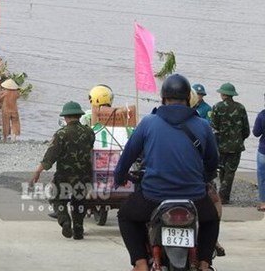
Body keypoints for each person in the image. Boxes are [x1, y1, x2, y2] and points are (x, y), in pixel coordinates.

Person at [114, 74, 219, 271]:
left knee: (125, 216)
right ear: (188, 99)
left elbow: (126, 158)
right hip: (194, 197)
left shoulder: (148, 123)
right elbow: (213, 162)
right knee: (211, 219)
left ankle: (141, 263)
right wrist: (202, 179)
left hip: (153, 196)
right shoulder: (203, 126)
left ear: (163, 98)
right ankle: (204, 263)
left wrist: (119, 178)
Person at [30, 101, 94, 240]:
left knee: (57, 198)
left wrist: (38, 171)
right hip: (84, 176)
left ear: (65, 117)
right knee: (79, 202)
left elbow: (50, 156)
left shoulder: (61, 134)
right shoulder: (89, 132)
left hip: (65, 175)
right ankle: (78, 231)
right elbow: (90, 150)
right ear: (79, 115)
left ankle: (65, 220)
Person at [210, 82, 250, 204]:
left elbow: (213, 126)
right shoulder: (241, 108)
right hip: (236, 146)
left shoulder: (217, 107)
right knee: (230, 171)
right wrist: (240, 139)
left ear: (223, 94)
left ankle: (223, 195)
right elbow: (246, 129)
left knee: (222, 169)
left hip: (221, 145)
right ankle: (223, 196)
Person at [253, 95, 265, 212]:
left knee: (262, 178)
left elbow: (256, 133)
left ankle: (263, 203)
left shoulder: (262, 115)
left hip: (263, 150)